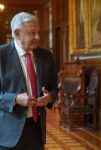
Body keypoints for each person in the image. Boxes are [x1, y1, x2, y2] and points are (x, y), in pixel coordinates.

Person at [0, 12, 57, 150]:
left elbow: (54, 89)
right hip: (8, 133)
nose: (37, 37)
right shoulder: (1, 55)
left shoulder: (46, 56)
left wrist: (49, 97)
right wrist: (15, 99)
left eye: (38, 32)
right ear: (17, 33)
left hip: (37, 130)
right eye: (32, 33)